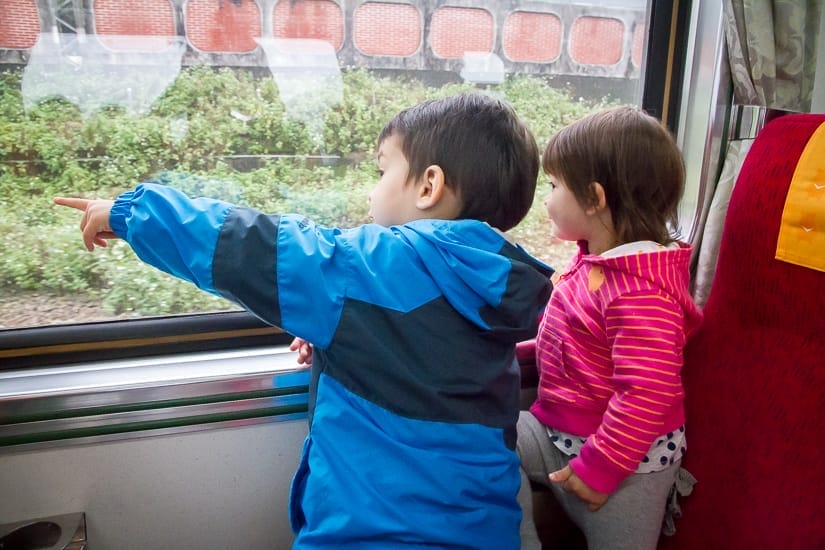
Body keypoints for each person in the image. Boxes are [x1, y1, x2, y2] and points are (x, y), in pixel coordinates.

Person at [54, 92, 554, 549]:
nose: (373, 189)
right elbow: (427, 350)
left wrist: (132, 212)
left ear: (428, 186)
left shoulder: (372, 265)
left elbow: (253, 248)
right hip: (485, 529)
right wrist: (353, 332)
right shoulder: (500, 280)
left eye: (382, 171)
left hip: (370, 532)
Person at [516, 105, 703, 550]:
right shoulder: (593, 264)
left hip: (627, 467)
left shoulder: (641, 293)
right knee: (485, 438)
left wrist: (599, 468)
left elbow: (646, 392)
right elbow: (568, 340)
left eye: (555, 185)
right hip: (553, 433)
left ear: (595, 198)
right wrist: (515, 356)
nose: (547, 197)